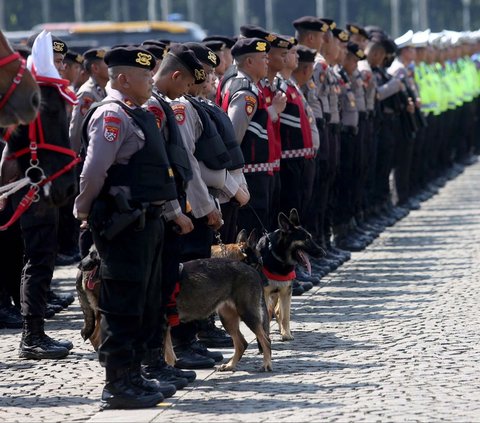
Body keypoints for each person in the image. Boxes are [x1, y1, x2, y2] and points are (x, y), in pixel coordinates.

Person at [74, 45, 178, 409]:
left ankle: (133, 373)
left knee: (142, 302)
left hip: (145, 222)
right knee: (121, 303)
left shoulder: (135, 112)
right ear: (123, 78)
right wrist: (83, 210)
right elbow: (94, 170)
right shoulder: (112, 114)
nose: (152, 78)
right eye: (145, 74)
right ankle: (116, 383)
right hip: (122, 225)